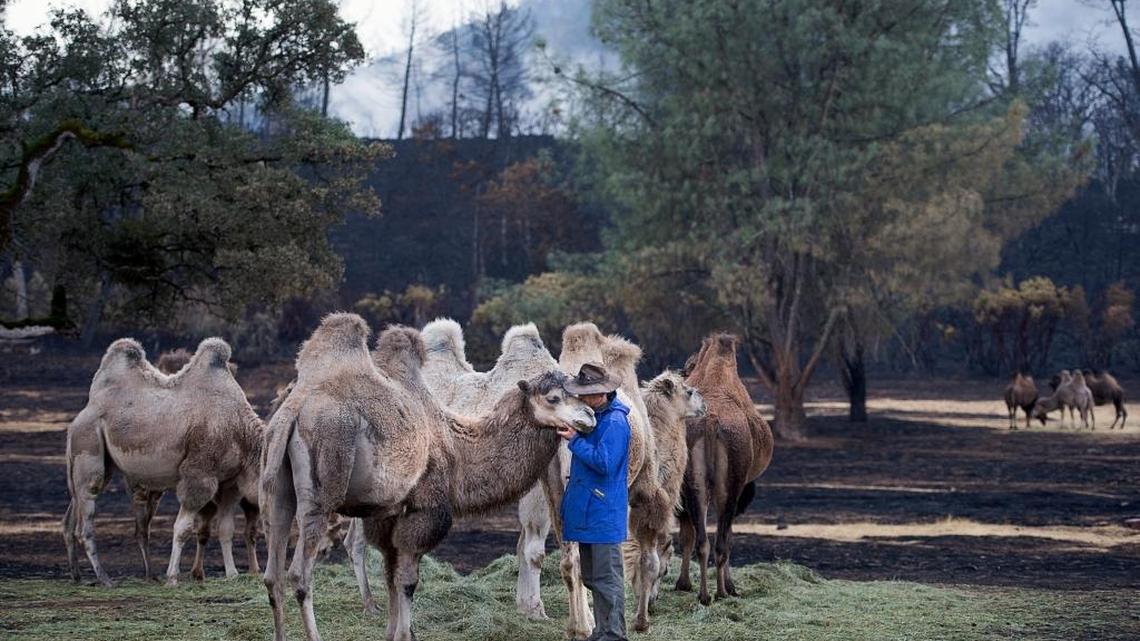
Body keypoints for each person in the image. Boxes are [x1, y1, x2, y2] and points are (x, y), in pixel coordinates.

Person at [557, 362, 631, 641]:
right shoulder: (596, 418)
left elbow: (605, 463)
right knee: (593, 579)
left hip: (602, 514)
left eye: (586, 394)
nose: (581, 398)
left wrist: (575, 441)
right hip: (591, 512)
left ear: (601, 394)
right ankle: (602, 632)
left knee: (607, 581)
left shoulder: (614, 422)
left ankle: (613, 635)